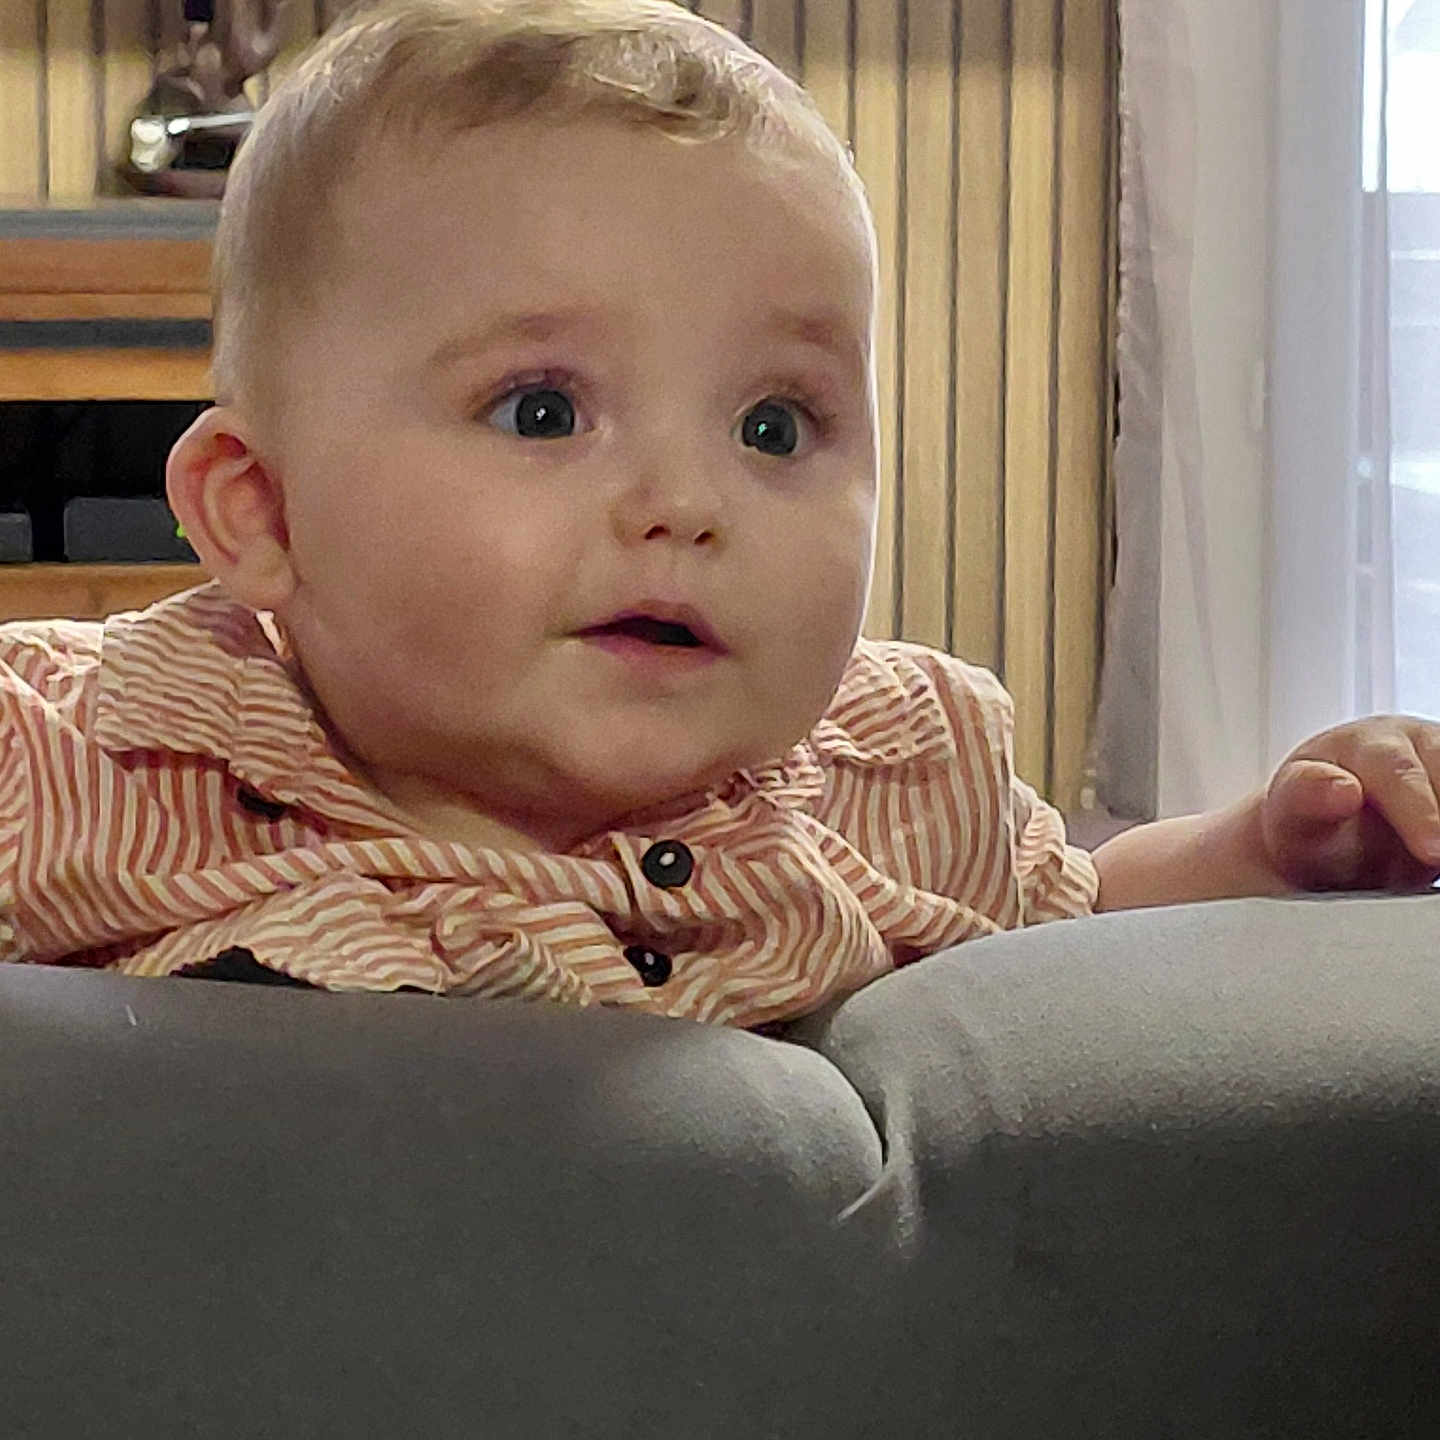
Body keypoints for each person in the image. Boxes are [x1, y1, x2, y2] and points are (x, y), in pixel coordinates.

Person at [3, 0, 1438, 1031]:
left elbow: (1076, 915)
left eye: (776, 427)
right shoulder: (96, 756)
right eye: (543, 412)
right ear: (259, 513)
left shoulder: (896, 779)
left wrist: (1268, 844)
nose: (687, 505)